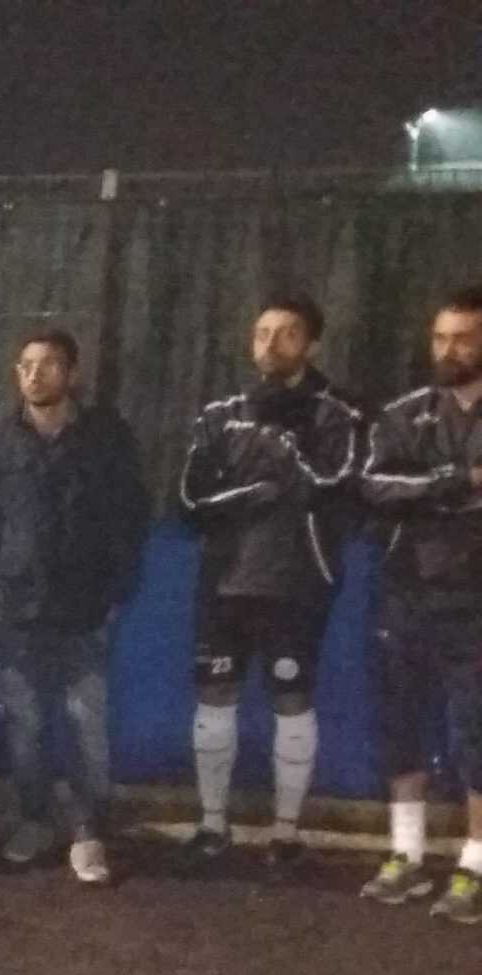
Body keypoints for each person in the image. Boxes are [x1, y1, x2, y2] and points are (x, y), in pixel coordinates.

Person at [0, 328, 148, 885]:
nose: (34, 375)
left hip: (86, 611)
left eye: (48, 364)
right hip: (16, 613)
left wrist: (117, 590)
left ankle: (88, 833)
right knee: (25, 725)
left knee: (88, 723)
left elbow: (131, 515)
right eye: (26, 366)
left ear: (72, 373)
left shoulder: (106, 437)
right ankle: (34, 821)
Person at [175, 296, 365, 867]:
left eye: (287, 333)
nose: (271, 344)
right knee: (214, 696)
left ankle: (285, 833)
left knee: (292, 698)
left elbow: (332, 483)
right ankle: (213, 825)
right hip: (224, 584)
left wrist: (289, 434)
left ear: (312, 345)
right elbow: (191, 500)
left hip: (297, 583)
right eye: (262, 332)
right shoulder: (221, 413)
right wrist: (253, 492)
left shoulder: (339, 413)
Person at [356, 285, 482, 921]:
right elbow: (376, 486)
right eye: (440, 338)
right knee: (399, 726)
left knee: (474, 734)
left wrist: (427, 494)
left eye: (463, 338)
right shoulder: (404, 414)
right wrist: (459, 482)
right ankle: (406, 854)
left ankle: (475, 866)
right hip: (406, 596)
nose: (448, 349)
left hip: (475, 604)